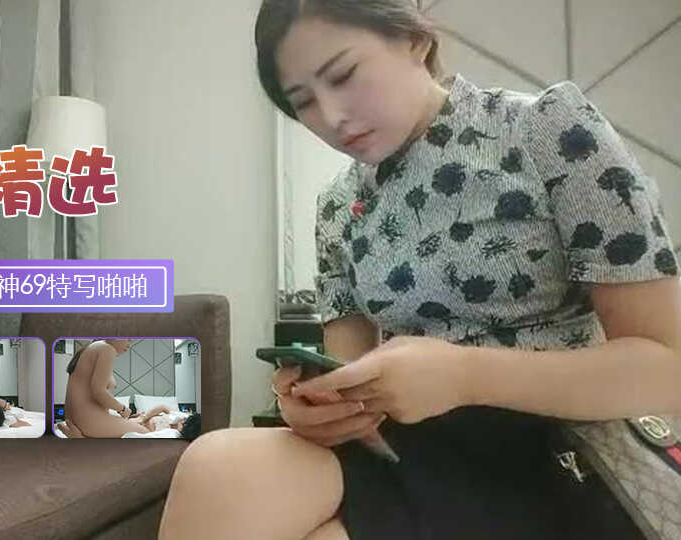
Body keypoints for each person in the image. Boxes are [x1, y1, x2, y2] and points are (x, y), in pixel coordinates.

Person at [158, 2, 681, 539]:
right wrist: (319, 408)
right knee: (215, 467)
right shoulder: (338, 204)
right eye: (304, 102)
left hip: (559, 448)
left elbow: (667, 369)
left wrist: (463, 375)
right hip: (410, 448)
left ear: (414, 39)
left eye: (343, 74)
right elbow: (350, 371)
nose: (331, 116)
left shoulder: (547, 129)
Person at [63, 339, 155, 437]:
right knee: (146, 434)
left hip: (76, 421)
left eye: (131, 342)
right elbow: (99, 392)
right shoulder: (107, 349)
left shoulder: (90, 349)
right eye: (128, 339)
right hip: (90, 421)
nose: (129, 345)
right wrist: (123, 409)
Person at [58, 407, 203, 439]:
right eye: (184, 418)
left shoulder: (170, 434)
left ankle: (81, 438)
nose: (182, 420)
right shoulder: (178, 416)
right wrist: (143, 418)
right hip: (138, 420)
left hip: (140, 429)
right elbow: (162, 407)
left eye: (183, 422)